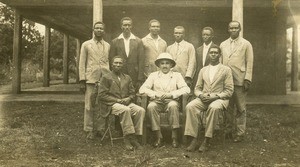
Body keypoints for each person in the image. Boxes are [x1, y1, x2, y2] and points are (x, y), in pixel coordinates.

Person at [184, 45, 234, 152]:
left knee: (213, 108)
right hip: (204, 98)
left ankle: (207, 139)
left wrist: (215, 97)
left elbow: (229, 91)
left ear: (220, 55)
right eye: (211, 53)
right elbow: (197, 88)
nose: (213, 55)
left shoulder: (226, 70)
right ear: (208, 55)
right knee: (190, 106)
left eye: (216, 53)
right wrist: (201, 95)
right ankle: (194, 138)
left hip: (219, 98)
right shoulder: (203, 70)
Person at [139, 53, 190, 148]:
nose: (165, 65)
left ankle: (174, 137)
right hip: (157, 101)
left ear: (171, 65)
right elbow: (142, 89)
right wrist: (155, 94)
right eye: (162, 63)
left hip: (171, 101)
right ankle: (158, 136)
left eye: (167, 63)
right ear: (158, 65)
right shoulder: (153, 75)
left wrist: (172, 94)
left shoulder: (177, 75)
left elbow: (186, 89)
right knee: (151, 106)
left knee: (173, 106)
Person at [98, 56, 145, 151]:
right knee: (126, 110)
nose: (118, 65)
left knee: (140, 110)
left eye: (120, 63)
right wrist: (117, 100)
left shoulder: (127, 78)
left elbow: (133, 93)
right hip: (111, 105)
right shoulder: (106, 77)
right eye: (116, 63)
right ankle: (127, 138)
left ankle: (135, 136)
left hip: (125, 102)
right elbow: (102, 95)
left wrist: (128, 98)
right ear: (112, 64)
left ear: (123, 65)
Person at [220, 21, 254, 142]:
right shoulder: (223, 44)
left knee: (240, 107)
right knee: (228, 107)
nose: (233, 30)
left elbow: (249, 62)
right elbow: (221, 62)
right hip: (226, 81)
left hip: (240, 80)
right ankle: (228, 130)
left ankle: (240, 132)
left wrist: (247, 79)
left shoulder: (246, 44)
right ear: (228, 30)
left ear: (239, 29)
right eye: (231, 28)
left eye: (236, 28)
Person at [79, 21, 110, 139]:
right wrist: (82, 80)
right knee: (89, 105)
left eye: (101, 28)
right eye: (97, 28)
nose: (99, 30)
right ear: (93, 30)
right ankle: (89, 129)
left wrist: (108, 77)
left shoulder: (107, 45)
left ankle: (101, 129)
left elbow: (107, 62)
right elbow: (82, 63)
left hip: (104, 79)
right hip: (91, 79)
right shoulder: (86, 44)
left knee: (103, 104)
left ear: (104, 31)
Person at [109, 17, 145, 91]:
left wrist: (140, 78)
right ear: (121, 26)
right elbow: (111, 60)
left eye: (129, 25)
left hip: (134, 74)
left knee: (133, 94)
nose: (127, 27)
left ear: (131, 26)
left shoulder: (138, 41)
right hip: (120, 73)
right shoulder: (115, 42)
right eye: (125, 25)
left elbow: (141, 60)